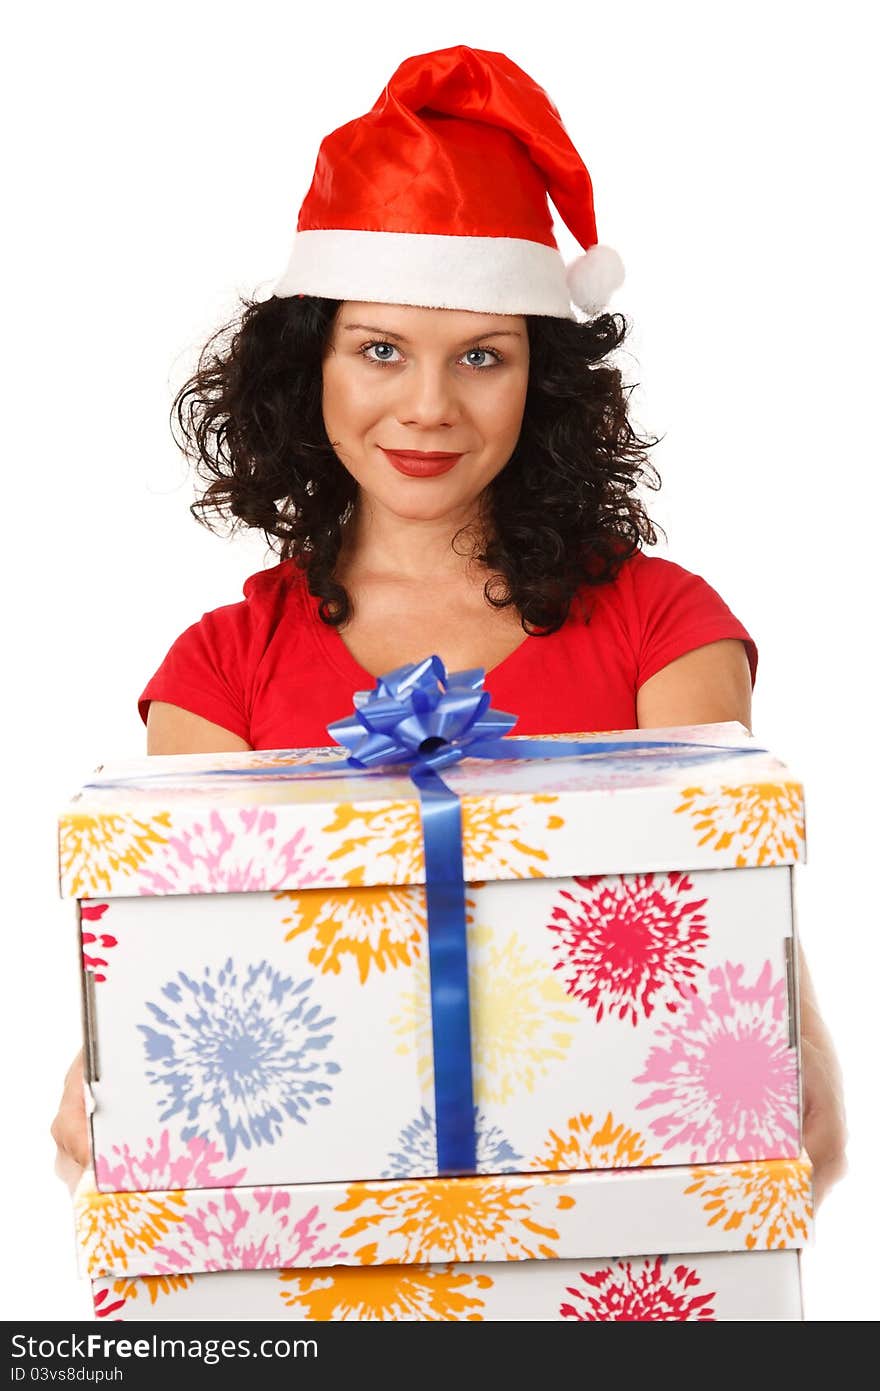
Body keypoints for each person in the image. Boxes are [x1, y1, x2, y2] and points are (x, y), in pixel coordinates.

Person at [51, 44, 846, 1212]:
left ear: (545, 380)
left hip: (615, 1229)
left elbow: (727, 922)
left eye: (483, 355)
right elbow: (188, 970)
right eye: (380, 348)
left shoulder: (664, 631)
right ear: (306, 363)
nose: (427, 405)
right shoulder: (219, 672)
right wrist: (110, 1061)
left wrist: (803, 1042)